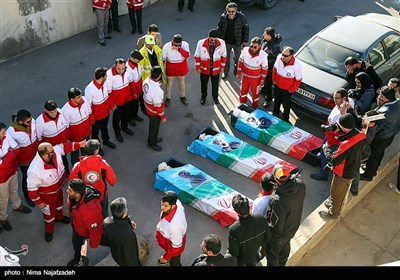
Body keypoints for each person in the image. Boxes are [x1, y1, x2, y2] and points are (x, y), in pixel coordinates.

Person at [27, 141, 85, 242]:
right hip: (47, 196)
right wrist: (39, 202)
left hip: (58, 190)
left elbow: (64, 147)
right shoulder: (34, 170)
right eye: (52, 153)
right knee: (48, 214)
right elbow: (32, 190)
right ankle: (49, 230)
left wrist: (79, 144)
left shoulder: (53, 152)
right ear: (45, 155)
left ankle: (59, 217)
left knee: (59, 205)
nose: (55, 153)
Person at [319, 113, 366, 220]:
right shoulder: (361, 135)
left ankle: (333, 213)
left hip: (343, 173)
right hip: (352, 168)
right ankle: (334, 204)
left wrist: (326, 147)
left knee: (337, 193)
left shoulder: (346, 144)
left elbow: (334, 159)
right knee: (338, 192)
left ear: (344, 127)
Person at [310, 88, 354, 181]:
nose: (335, 100)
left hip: (334, 137)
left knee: (325, 153)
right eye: (334, 97)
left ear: (344, 98)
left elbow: (339, 129)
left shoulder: (344, 111)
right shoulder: (342, 103)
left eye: (337, 98)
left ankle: (323, 174)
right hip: (329, 134)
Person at [266, 166, 305, 266]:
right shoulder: (300, 185)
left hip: (281, 234)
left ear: (275, 179)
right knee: (286, 246)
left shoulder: (278, 201)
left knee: (272, 254)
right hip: (293, 226)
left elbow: (277, 226)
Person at [69, 139, 116, 218]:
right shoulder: (104, 164)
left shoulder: (78, 166)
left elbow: (72, 181)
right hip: (101, 194)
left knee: (88, 216)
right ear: (96, 151)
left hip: (85, 196)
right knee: (104, 213)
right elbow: (112, 181)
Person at [361, 86, 400, 181]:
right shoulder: (398, 102)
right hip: (390, 134)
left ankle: (368, 175)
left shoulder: (384, 111)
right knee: (379, 154)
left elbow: (373, 125)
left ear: (386, 98)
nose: (378, 97)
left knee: (374, 156)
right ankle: (373, 170)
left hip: (381, 137)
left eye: (381, 96)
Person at [0, 122, 32, 233]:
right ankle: (2, 218)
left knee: (14, 190)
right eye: (3, 132)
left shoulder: (6, 136)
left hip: (12, 170)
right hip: (1, 178)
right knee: (3, 199)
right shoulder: (6, 137)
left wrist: (7, 156)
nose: (5, 134)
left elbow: (17, 149)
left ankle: (17, 205)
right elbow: (1, 164)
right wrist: (10, 152)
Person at [66, 179, 103, 267]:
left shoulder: (90, 210)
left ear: (78, 194)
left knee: (79, 245)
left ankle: (79, 259)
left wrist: (94, 244)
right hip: (76, 225)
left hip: (83, 232)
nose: (67, 191)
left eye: (70, 191)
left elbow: (95, 229)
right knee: (76, 244)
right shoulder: (73, 197)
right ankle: (77, 258)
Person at [6, 109, 39, 207]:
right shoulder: (11, 132)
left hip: (36, 155)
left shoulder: (32, 122)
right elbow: (11, 150)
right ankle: (28, 196)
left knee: (37, 174)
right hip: (24, 161)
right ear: (20, 122)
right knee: (27, 178)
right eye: (28, 121)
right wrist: (16, 164)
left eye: (31, 120)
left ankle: (37, 190)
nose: (31, 122)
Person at [227, 193, 270, 266]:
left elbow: (234, 252)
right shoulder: (260, 218)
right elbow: (268, 237)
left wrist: (228, 252)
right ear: (249, 207)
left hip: (241, 260)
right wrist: (262, 252)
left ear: (236, 211)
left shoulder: (233, 229)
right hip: (254, 255)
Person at [84, 67, 116, 156]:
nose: (107, 76)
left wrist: (111, 106)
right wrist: (91, 119)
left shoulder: (105, 83)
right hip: (97, 116)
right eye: (105, 75)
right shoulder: (89, 89)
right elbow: (88, 105)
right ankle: (97, 147)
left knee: (104, 128)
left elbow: (108, 95)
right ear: (102, 77)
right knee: (95, 133)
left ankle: (106, 141)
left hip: (105, 112)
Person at [101, 197, 142, 266]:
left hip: (116, 255)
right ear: (125, 212)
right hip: (125, 261)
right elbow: (131, 258)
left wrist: (128, 222)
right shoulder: (129, 236)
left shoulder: (106, 222)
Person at [36, 100, 71, 174]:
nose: (54, 114)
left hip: (62, 144)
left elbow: (66, 125)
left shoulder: (60, 112)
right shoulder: (39, 121)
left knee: (64, 159)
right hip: (51, 149)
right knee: (54, 163)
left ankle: (67, 173)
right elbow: (39, 137)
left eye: (55, 111)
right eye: (51, 112)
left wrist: (67, 138)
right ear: (46, 110)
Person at [62, 87, 95, 165]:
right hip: (75, 137)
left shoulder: (84, 100)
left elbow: (90, 112)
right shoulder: (65, 110)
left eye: (80, 95)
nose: (81, 98)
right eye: (78, 97)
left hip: (86, 132)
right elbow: (66, 126)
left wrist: (91, 124)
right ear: (72, 99)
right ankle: (76, 168)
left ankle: (85, 165)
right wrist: (68, 139)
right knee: (75, 154)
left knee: (86, 151)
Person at [194, 29, 227, 105]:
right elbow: (196, 56)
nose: (213, 41)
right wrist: (198, 68)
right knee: (204, 84)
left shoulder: (222, 43)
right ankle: (203, 97)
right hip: (204, 69)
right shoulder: (200, 43)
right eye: (212, 39)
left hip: (215, 69)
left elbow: (224, 56)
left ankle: (215, 97)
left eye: (215, 39)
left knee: (215, 85)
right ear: (208, 37)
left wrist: (222, 67)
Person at [217, 2, 249, 80]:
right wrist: (218, 40)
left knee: (238, 58)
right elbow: (219, 28)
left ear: (236, 10)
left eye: (232, 11)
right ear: (226, 11)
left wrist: (245, 40)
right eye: (229, 11)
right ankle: (226, 71)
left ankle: (237, 70)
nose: (231, 13)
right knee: (226, 59)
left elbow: (246, 28)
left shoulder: (242, 17)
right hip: (226, 43)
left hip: (237, 42)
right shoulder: (223, 17)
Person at [106, 58, 135, 143]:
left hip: (126, 98)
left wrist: (133, 93)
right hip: (117, 102)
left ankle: (125, 127)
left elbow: (131, 82)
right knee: (116, 118)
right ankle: (117, 132)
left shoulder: (127, 70)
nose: (121, 71)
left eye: (123, 68)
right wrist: (111, 105)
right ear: (115, 66)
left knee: (126, 114)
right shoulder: (109, 75)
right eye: (119, 69)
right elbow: (109, 92)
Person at [156, 191, 187, 266]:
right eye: (162, 204)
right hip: (169, 241)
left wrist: (165, 258)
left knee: (175, 262)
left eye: (165, 206)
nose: (162, 207)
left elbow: (176, 247)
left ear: (173, 206)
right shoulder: (176, 203)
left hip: (172, 245)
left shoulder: (174, 226)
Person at [272, 46, 302, 122]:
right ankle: (275, 116)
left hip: (287, 90)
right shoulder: (279, 58)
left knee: (286, 105)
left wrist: (291, 90)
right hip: (277, 86)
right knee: (276, 102)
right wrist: (274, 80)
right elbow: (274, 69)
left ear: (291, 56)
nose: (283, 57)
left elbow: (298, 80)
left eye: (285, 56)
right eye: (282, 54)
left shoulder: (297, 65)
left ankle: (285, 119)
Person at [237, 36, 268, 108]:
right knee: (243, 91)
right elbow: (240, 62)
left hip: (256, 79)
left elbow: (265, 69)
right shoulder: (245, 50)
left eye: (255, 47)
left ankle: (254, 106)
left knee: (255, 93)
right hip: (245, 76)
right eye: (251, 46)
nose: (252, 48)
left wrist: (262, 80)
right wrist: (239, 73)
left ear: (259, 46)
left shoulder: (263, 56)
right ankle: (242, 103)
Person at [162, 34, 190, 106]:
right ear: (173, 41)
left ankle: (182, 96)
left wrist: (179, 49)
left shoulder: (185, 44)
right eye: (176, 44)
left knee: (181, 83)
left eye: (179, 44)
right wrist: (161, 70)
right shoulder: (166, 46)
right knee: (169, 84)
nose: (177, 46)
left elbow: (187, 55)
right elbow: (163, 59)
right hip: (171, 69)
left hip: (181, 68)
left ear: (181, 42)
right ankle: (168, 98)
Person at [143, 66, 166, 152]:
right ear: (159, 75)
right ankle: (152, 142)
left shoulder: (146, 81)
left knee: (153, 126)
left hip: (148, 109)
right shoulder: (157, 91)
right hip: (154, 113)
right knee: (154, 128)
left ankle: (154, 138)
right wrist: (163, 117)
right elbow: (158, 107)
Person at [260, 27, 282, 108]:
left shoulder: (275, 47)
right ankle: (263, 89)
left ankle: (268, 99)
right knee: (265, 82)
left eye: (264, 34)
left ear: (269, 36)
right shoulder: (266, 41)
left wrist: (266, 60)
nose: (263, 35)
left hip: (270, 68)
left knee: (268, 83)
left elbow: (275, 60)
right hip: (265, 66)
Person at [126, 49, 146, 127]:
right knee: (131, 106)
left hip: (138, 89)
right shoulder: (128, 68)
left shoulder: (136, 64)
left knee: (136, 105)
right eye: (138, 59)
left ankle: (135, 115)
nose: (139, 61)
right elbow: (131, 83)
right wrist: (134, 93)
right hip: (133, 92)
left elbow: (140, 77)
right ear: (132, 58)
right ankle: (130, 119)